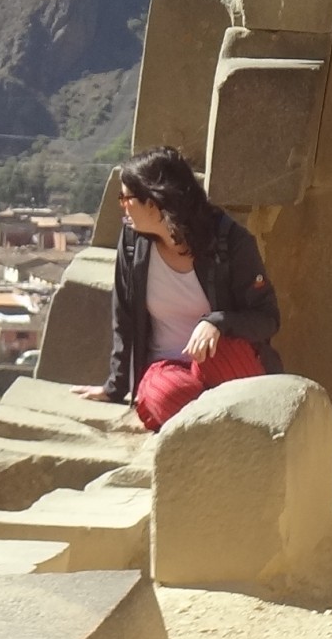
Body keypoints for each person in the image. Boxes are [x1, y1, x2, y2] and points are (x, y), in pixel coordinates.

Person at [74, 146, 280, 430]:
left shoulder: (230, 241)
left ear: (153, 203)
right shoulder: (132, 244)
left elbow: (267, 319)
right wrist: (115, 387)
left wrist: (218, 322)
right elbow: (124, 318)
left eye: (126, 198)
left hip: (222, 359)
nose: (122, 206)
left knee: (224, 364)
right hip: (166, 368)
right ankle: (227, 432)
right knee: (170, 395)